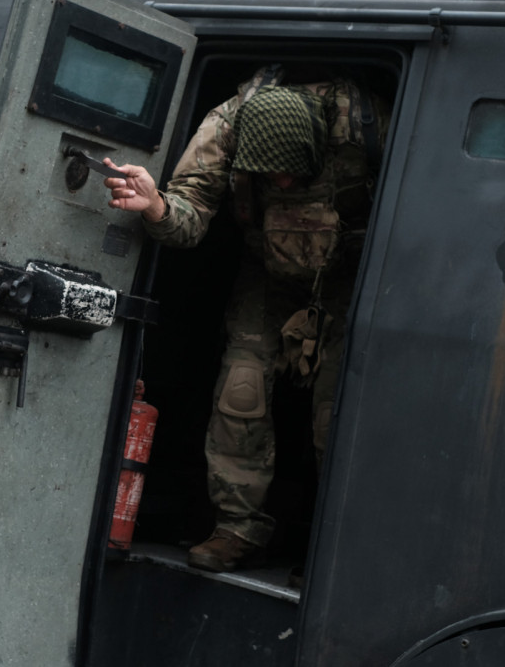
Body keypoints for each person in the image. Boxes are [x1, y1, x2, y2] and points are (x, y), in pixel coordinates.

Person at [103, 66, 388, 573]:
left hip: (348, 274)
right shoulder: (227, 127)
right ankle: (239, 527)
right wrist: (157, 207)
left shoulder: (365, 124)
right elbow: (189, 218)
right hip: (268, 274)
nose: (279, 183)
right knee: (241, 392)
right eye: (268, 175)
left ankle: (336, 540)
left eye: (290, 175)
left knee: (337, 408)